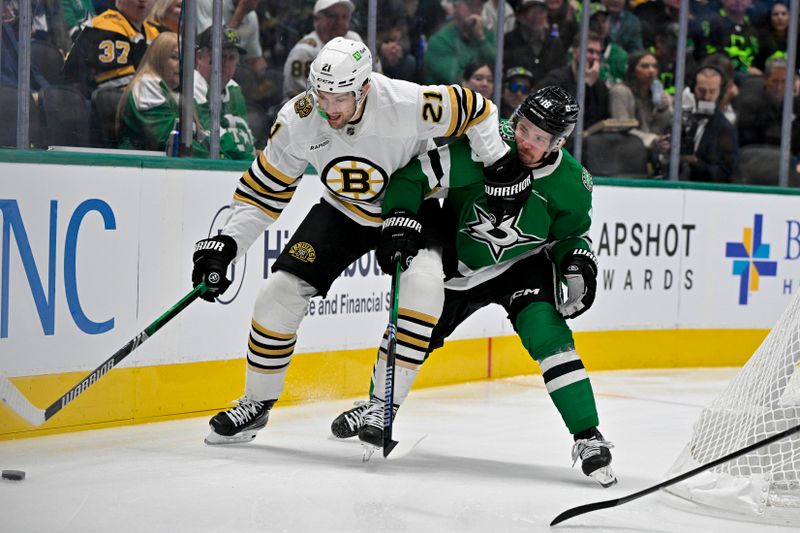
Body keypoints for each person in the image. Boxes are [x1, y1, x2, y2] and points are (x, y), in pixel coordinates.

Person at [192, 37, 511, 445]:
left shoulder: (407, 102)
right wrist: (227, 246)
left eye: (339, 97)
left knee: (426, 286)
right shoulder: (299, 119)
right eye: (321, 94)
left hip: (413, 207)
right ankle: (256, 404)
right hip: (343, 210)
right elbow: (263, 192)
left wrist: (497, 162)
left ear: (364, 88)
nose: (328, 107)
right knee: (278, 293)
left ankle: (382, 405)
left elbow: (478, 109)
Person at [331, 86, 617, 488]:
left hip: (521, 267)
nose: (526, 141)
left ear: (560, 142)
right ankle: (379, 406)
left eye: (540, 138)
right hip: (456, 267)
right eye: (524, 128)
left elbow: (570, 236)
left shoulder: (572, 183)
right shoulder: (483, 146)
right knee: (415, 333)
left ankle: (588, 435)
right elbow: (412, 177)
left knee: (549, 336)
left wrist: (577, 259)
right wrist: (399, 216)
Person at [116, 32, 209, 156]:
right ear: (158, 59)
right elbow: (169, 140)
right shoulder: (146, 85)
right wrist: (215, 157)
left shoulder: (178, 94)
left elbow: (202, 136)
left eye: (184, 59)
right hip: (138, 168)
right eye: (175, 57)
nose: (181, 65)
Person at [63, 0, 160, 97]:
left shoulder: (153, 32)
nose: (143, 1)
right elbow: (120, 95)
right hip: (83, 105)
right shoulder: (106, 28)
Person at [194, 27, 256, 160]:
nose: (226, 64)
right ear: (199, 57)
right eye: (220, 56)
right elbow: (208, 138)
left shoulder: (234, 89)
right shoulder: (192, 86)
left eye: (232, 58)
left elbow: (246, 139)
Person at [282, 0, 364, 100]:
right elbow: (296, 96)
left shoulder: (354, 40)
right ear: (316, 19)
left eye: (345, 17)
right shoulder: (304, 52)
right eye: (333, 16)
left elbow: (371, 77)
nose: (340, 22)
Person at [535, 32, 610, 130]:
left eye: (598, 53)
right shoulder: (556, 80)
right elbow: (563, 118)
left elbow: (603, 120)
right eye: (590, 51)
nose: (595, 57)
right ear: (575, 52)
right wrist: (586, 85)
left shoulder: (600, 86)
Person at [675, 65, 738, 182]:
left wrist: (694, 162)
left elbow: (725, 174)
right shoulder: (680, 120)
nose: (706, 97)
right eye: (701, 90)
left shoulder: (725, 129)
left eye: (712, 91)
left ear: (720, 92)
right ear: (693, 89)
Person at [608, 49, 672, 152]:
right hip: (625, 149)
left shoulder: (656, 93)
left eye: (654, 66)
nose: (651, 70)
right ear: (633, 70)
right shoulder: (620, 92)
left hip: (650, 149)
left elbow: (658, 128)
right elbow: (622, 127)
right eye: (645, 66)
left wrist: (662, 110)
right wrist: (651, 139)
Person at [423, 0, 496, 85]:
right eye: (470, 5)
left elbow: (498, 71)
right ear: (455, 6)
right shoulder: (440, 40)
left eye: (479, 6)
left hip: (483, 96)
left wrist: (481, 39)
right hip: (449, 96)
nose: (475, 10)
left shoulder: (487, 36)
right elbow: (454, 78)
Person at [503, 0, 567, 82]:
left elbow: (560, 74)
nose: (538, 17)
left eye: (541, 12)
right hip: (518, 92)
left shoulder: (555, 43)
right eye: (533, 12)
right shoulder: (509, 41)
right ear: (521, 17)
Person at [197, 0, 267, 75]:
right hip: (204, 72)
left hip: (232, 75)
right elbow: (215, 45)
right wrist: (240, 12)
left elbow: (253, 59)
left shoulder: (251, 16)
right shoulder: (208, 2)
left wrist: (264, 76)